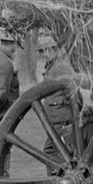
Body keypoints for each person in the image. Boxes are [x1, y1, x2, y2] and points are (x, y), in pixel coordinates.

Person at [36, 35, 77, 163]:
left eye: (48, 50)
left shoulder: (61, 67)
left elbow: (73, 91)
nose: (45, 54)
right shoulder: (51, 67)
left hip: (62, 118)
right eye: (41, 51)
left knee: (53, 150)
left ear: (55, 50)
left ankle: (57, 179)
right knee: (59, 151)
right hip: (56, 118)